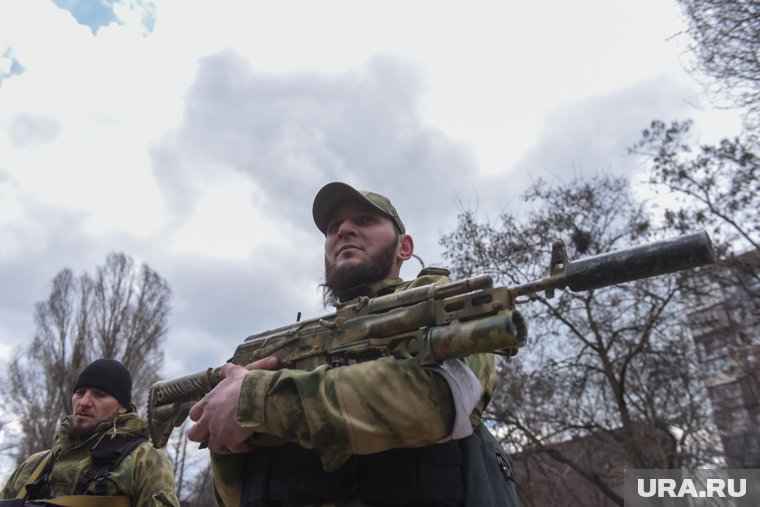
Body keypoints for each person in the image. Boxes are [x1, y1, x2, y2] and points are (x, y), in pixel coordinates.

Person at [187, 182, 520, 506]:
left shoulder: (440, 301)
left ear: (404, 247)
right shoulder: (291, 345)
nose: (343, 230)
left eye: (365, 220)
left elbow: (434, 402)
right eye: (333, 227)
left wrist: (255, 400)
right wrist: (226, 436)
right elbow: (239, 495)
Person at [1, 358, 181, 507]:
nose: (84, 402)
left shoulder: (143, 459)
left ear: (122, 407)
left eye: (100, 394)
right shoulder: (34, 467)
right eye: (80, 392)